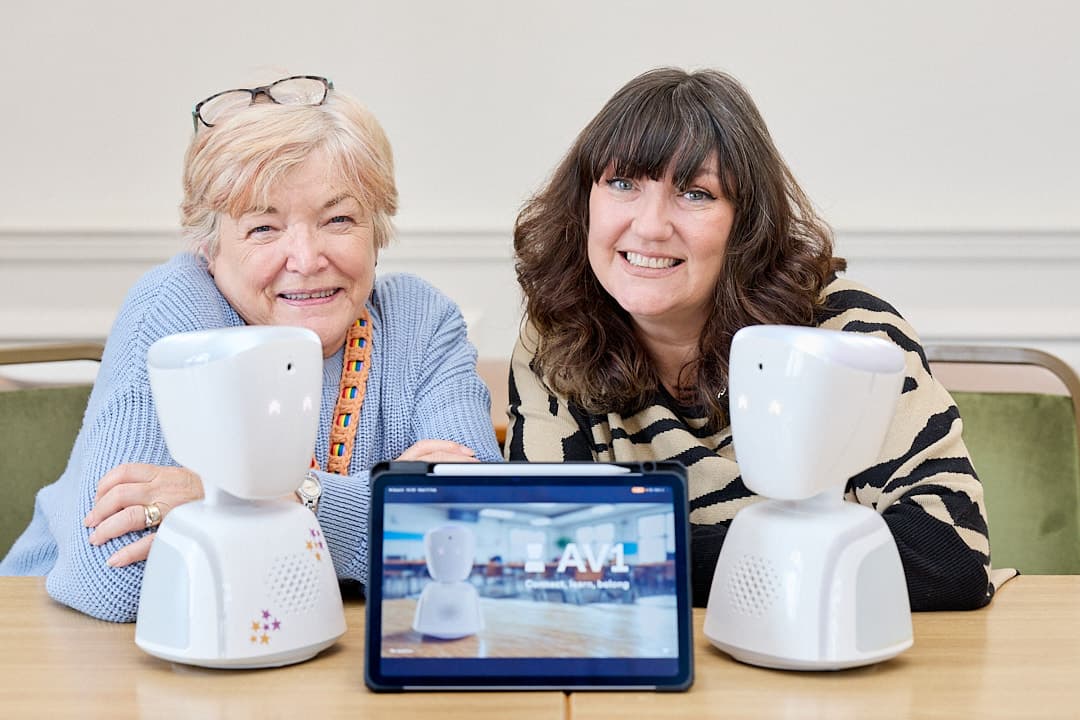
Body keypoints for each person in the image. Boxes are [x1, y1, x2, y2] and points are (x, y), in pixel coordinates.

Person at [0, 75, 502, 621]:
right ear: (209, 249)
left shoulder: (421, 322)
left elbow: (479, 541)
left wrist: (242, 500)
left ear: (376, 231)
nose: (306, 258)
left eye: (339, 219)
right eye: (264, 228)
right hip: (67, 656)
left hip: (322, 656)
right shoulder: (174, 308)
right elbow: (116, 584)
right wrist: (387, 514)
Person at [506, 67, 994, 611]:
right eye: (623, 184)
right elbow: (543, 553)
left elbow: (950, 556)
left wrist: (652, 557)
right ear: (585, 200)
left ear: (747, 224)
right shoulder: (558, 336)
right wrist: (811, 546)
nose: (650, 226)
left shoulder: (846, 331)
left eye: (695, 194)